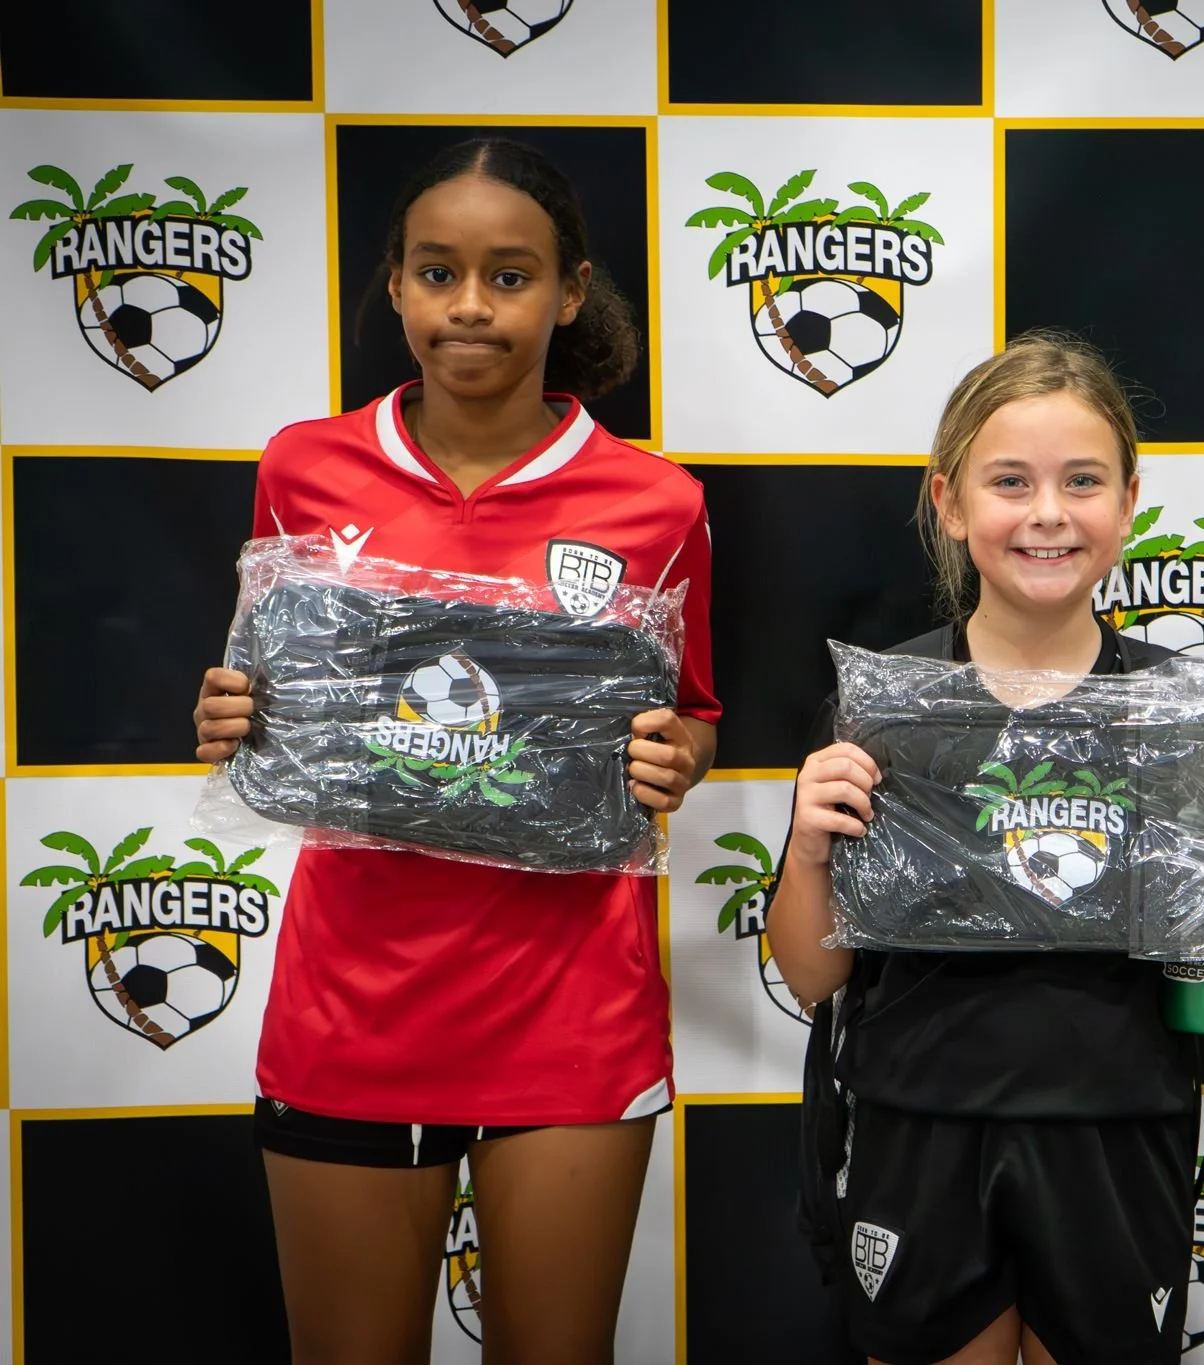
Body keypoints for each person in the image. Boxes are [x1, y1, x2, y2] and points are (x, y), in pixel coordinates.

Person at [190, 138, 718, 1365]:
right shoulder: (303, 467)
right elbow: (275, 695)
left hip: (571, 1011)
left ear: (570, 292)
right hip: (350, 1007)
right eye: (437, 272)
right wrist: (232, 718)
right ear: (393, 285)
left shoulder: (659, 502)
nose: (469, 305)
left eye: (509, 275)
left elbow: (690, 711)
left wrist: (675, 760)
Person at [766, 333, 1204, 1365]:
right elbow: (809, 976)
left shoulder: (1193, 716)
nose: (1048, 514)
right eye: (1009, 482)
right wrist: (803, 851)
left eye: (1081, 482)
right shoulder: (885, 705)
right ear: (947, 500)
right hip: (916, 1128)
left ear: (1129, 500)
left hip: (1117, 1132)